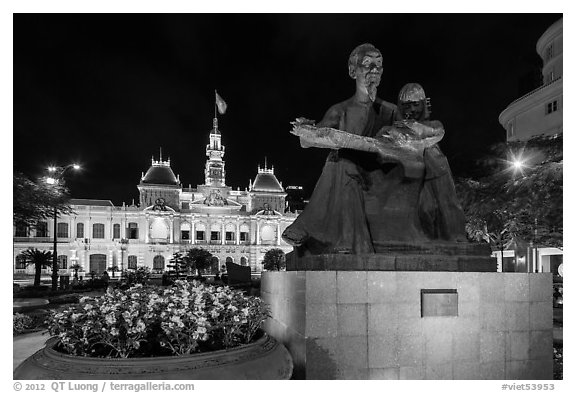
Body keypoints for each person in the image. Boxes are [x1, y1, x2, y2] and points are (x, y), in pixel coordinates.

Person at [282, 43, 398, 254]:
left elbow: (404, 143)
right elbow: (310, 140)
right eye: (367, 64)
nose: (374, 69)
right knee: (341, 162)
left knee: (341, 164)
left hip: (379, 173)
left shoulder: (390, 111)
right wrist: (307, 130)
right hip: (348, 172)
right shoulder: (340, 110)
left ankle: (308, 227)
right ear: (353, 71)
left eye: (378, 65)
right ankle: (345, 241)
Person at [393, 83, 467, 241]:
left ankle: (457, 238)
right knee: (424, 208)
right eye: (406, 105)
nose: (411, 110)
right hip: (416, 174)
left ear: (424, 104)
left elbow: (437, 133)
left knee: (448, 205)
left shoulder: (433, 124)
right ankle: (430, 240)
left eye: (415, 104)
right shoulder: (400, 128)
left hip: (438, 170)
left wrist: (413, 130)